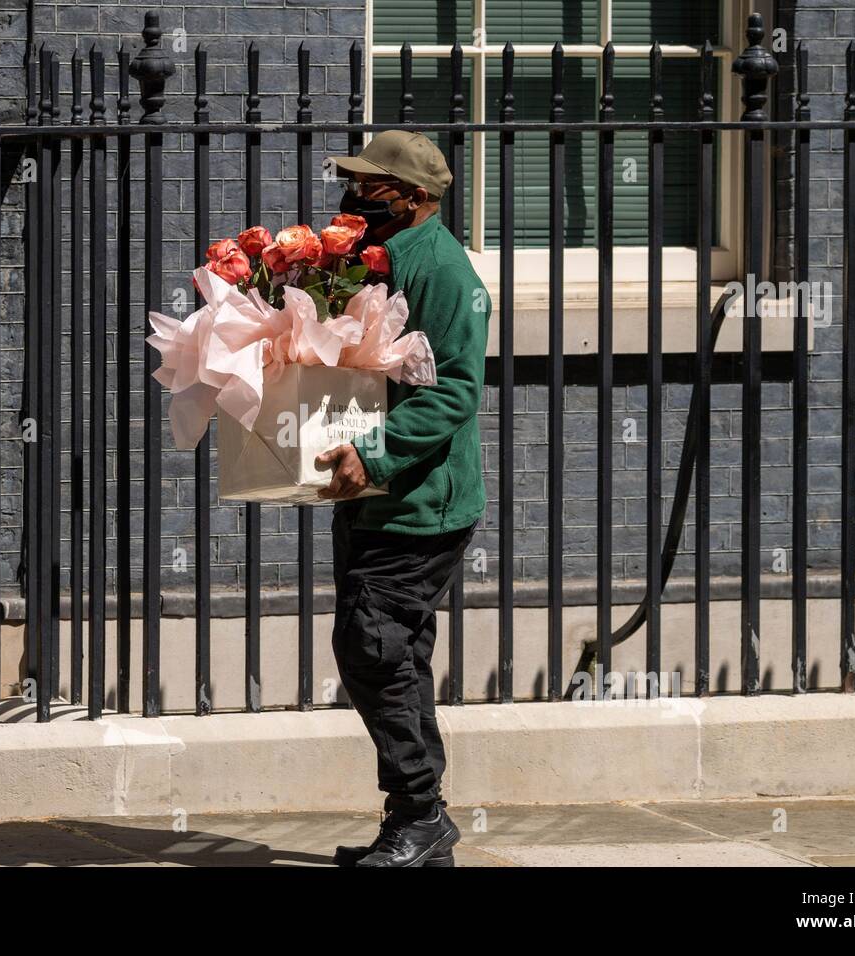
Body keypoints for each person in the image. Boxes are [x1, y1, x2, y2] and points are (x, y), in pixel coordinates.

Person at [314, 129, 490, 867]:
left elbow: (454, 388)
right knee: (395, 657)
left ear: (414, 197)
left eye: (371, 185)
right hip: (370, 494)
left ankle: (421, 815)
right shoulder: (369, 257)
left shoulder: (446, 271)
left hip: (422, 501)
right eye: (354, 181)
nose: (355, 194)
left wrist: (376, 451)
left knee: (371, 647)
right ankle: (419, 833)